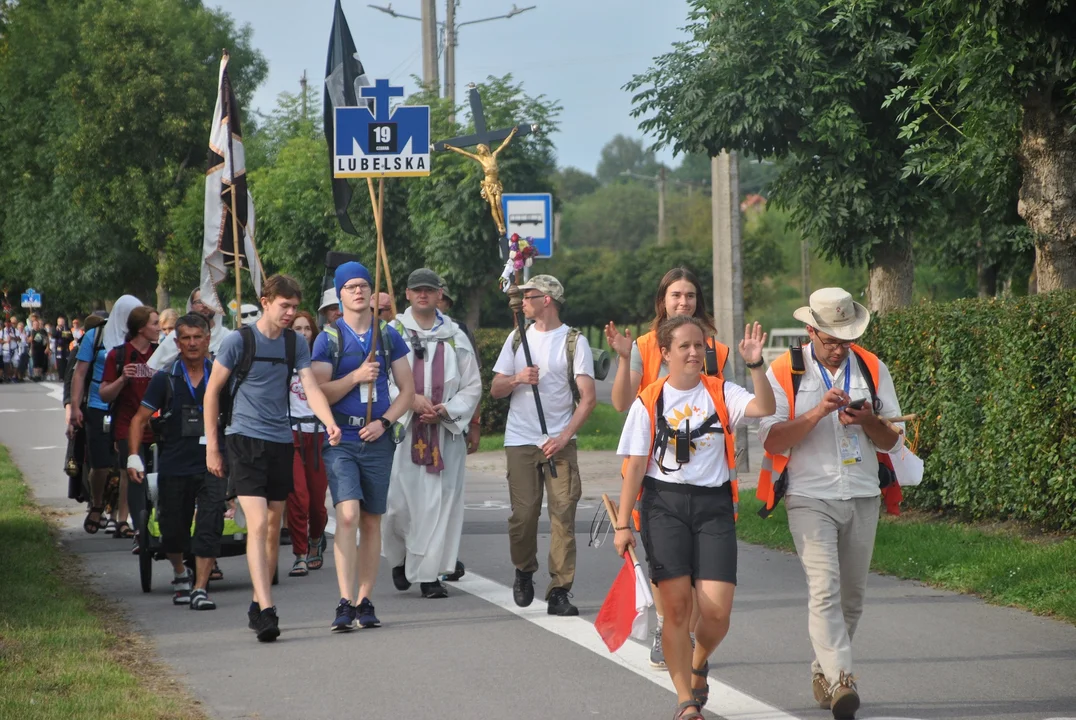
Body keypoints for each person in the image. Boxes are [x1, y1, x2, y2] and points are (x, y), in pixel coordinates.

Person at [614, 316, 775, 720]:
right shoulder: (648, 400)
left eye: (699, 346)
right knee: (677, 608)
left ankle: (699, 660)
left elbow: (765, 408)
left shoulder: (721, 392)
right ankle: (686, 700)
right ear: (665, 353)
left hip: (713, 507)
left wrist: (756, 364)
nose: (693, 352)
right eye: (683, 346)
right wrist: (622, 523)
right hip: (663, 505)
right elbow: (635, 465)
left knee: (717, 611)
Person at [757, 288, 904, 720]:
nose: (840, 349)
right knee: (824, 591)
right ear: (810, 331)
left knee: (852, 599)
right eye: (831, 340)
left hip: (862, 493)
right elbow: (771, 438)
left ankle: (823, 672)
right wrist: (817, 412)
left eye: (846, 340)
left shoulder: (873, 367)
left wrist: (869, 420)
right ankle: (842, 679)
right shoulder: (784, 369)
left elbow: (893, 439)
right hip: (808, 495)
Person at [203, 275, 342, 642]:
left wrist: (328, 422)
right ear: (265, 302)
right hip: (243, 439)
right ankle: (267, 609)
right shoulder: (239, 341)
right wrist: (212, 446)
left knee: (272, 527)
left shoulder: (295, 343)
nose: (291, 313)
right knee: (260, 523)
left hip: (282, 439)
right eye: (285, 306)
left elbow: (310, 386)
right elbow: (212, 392)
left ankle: (256, 601)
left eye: (295, 307)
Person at [605, 266, 730, 668]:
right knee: (667, 559)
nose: (683, 302)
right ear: (663, 301)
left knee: (698, 568)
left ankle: (686, 633)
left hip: (704, 473)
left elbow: (721, 402)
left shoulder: (712, 348)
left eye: (690, 296)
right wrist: (625, 360)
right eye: (676, 295)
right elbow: (622, 402)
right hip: (652, 467)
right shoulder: (643, 344)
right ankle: (667, 624)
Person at [312, 261, 414, 632]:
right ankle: (344, 598)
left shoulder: (388, 335)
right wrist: (355, 376)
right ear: (339, 295)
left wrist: (384, 422)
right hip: (341, 438)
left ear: (372, 293)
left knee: (372, 520)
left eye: (363, 286)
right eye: (351, 286)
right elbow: (319, 390)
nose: (358, 291)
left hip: (377, 438)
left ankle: (365, 600)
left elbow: (408, 391)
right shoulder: (328, 338)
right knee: (349, 515)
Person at [490, 274, 596, 616]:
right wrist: (519, 378)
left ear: (546, 299)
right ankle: (524, 570)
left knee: (563, 515)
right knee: (523, 516)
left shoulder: (574, 342)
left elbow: (588, 399)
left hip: (559, 443)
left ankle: (559, 591)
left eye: (528, 295)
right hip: (520, 440)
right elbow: (495, 388)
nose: (521, 301)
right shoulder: (517, 338)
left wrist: (563, 437)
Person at [382, 269, 481, 599]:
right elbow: (382, 379)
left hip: (444, 433)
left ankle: (430, 576)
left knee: (440, 506)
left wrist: (448, 409)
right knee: (397, 505)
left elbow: (473, 385)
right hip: (404, 431)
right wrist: (409, 399)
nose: (423, 295)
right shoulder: (392, 332)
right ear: (407, 294)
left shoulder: (455, 336)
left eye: (429, 290)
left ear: (440, 294)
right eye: (416, 290)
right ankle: (399, 559)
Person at [127, 313, 224, 610]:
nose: (193, 343)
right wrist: (133, 457)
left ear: (208, 340)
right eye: (186, 338)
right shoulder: (164, 379)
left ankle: (199, 588)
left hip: (211, 465)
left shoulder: (220, 376)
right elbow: (138, 420)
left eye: (198, 337)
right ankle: (181, 572)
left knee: (209, 526)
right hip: (173, 464)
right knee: (172, 530)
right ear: (177, 342)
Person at [69, 295, 142, 535]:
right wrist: (76, 407)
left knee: (125, 465)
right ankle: (98, 503)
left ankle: (122, 518)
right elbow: (80, 373)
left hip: (128, 407)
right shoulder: (95, 336)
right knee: (100, 465)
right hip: (99, 406)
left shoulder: (138, 339)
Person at [99, 306, 159, 542]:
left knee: (159, 475)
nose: (158, 328)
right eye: (154, 323)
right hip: (126, 425)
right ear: (141, 328)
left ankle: (153, 521)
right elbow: (104, 394)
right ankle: (137, 529)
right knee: (134, 475)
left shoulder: (160, 353)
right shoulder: (119, 355)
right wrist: (123, 379)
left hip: (156, 425)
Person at [284, 310, 330, 578]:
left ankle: (315, 541)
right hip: (291, 433)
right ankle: (300, 554)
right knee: (297, 498)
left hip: (319, 432)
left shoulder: (322, 362)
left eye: (306, 329)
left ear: (313, 332)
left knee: (317, 503)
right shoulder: (283, 360)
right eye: (296, 328)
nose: (302, 333)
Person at [438, 283, 482, 454]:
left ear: (448, 305)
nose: (435, 302)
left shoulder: (459, 332)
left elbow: (473, 381)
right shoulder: (403, 330)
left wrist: (475, 424)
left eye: (441, 299)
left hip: (453, 421)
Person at [148, 288, 232, 371]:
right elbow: (153, 368)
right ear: (191, 306)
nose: (205, 305)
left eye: (208, 301)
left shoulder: (228, 337)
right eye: (199, 302)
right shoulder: (176, 335)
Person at [53, 316, 73, 383]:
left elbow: (71, 338)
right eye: (59, 321)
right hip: (59, 348)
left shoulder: (67, 328)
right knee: (60, 362)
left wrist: (66, 335)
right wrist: (58, 331)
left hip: (66, 347)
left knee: (66, 361)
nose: (61, 323)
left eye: (62, 321)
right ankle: (61, 376)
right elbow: (54, 335)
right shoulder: (56, 329)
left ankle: (66, 376)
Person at [30, 316, 48, 382]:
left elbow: (47, 339)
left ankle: (39, 376)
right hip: (35, 349)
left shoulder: (42, 331)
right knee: (35, 363)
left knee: (40, 363)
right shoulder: (32, 331)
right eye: (34, 325)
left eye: (37, 324)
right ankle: (36, 375)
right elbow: (31, 341)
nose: (36, 326)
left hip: (42, 349)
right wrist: (31, 350)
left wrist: (47, 347)